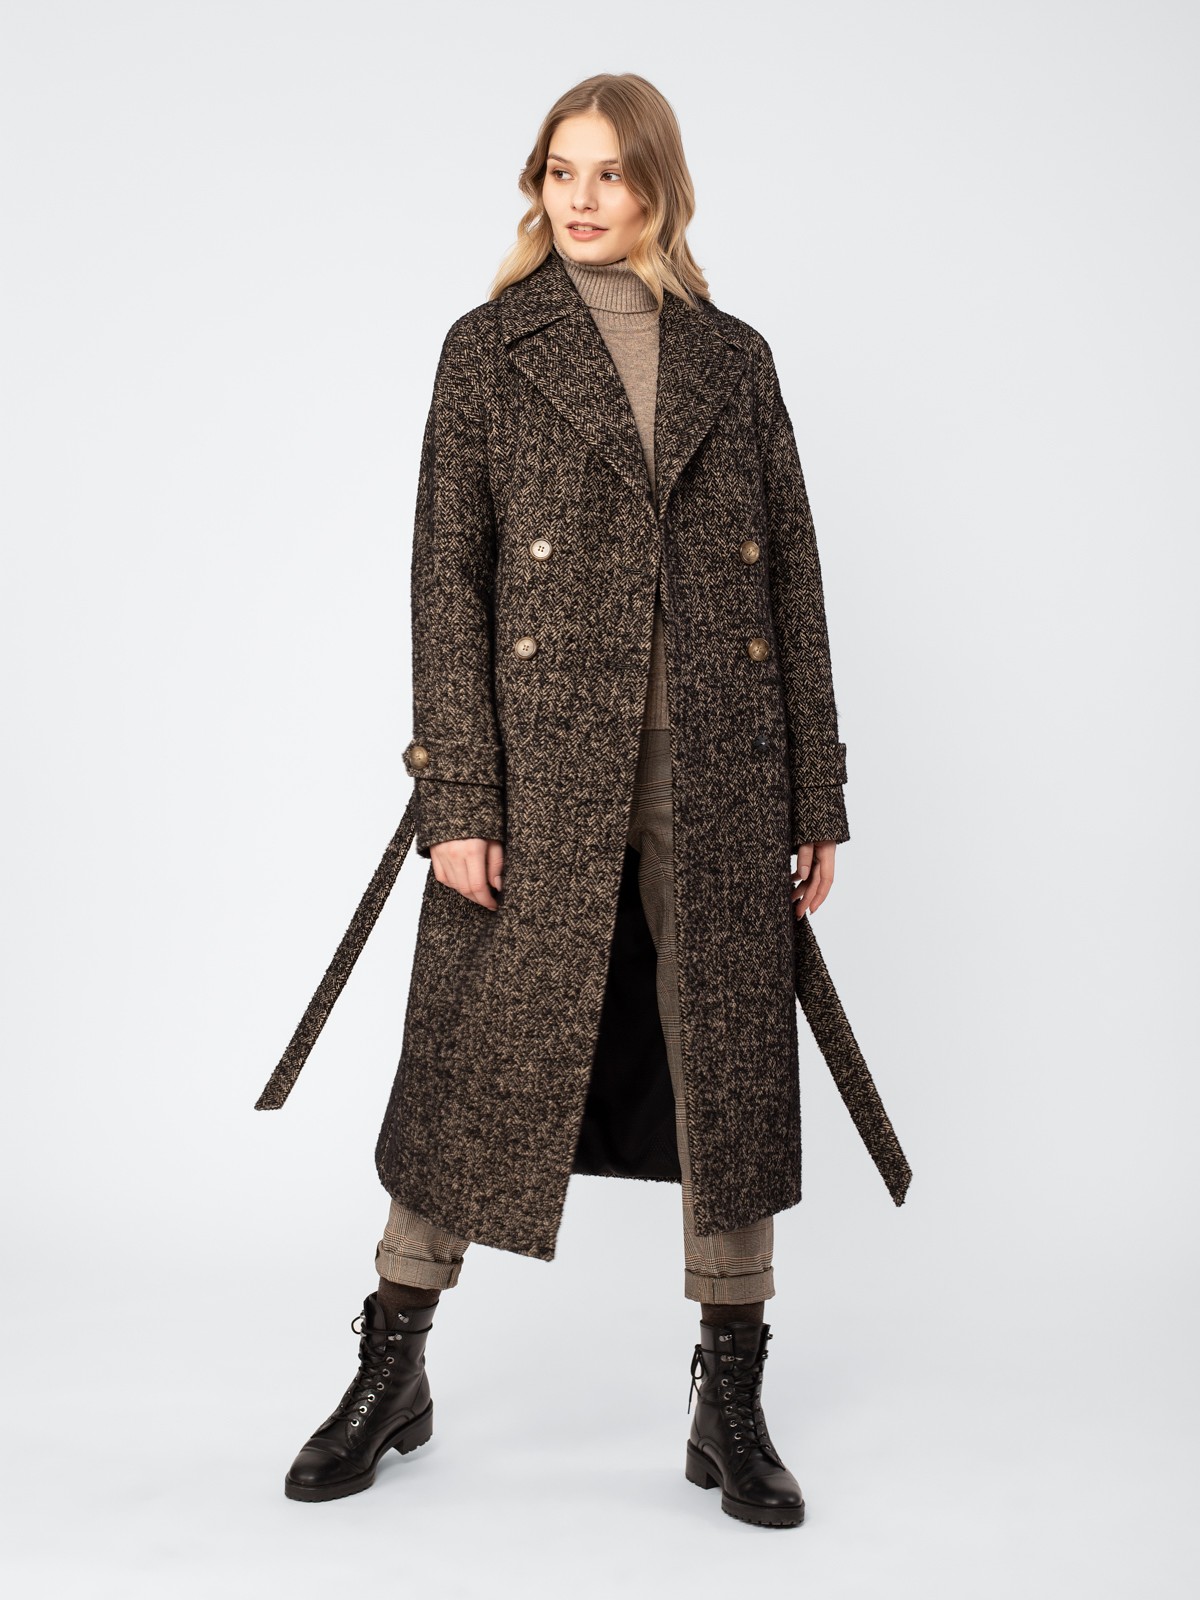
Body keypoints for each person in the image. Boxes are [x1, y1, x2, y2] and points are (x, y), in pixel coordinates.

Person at [273, 71, 910, 1528]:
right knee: (473, 1064)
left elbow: (796, 582)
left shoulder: (735, 360)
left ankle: (731, 1396)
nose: (582, 197)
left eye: (612, 173)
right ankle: (392, 1365)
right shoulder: (488, 350)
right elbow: (447, 581)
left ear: (659, 189)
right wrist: (460, 793)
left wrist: (816, 786)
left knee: (727, 1070)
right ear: (536, 183)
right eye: (561, 170)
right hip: (542, 771)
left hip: (722, 769)